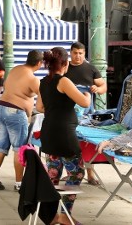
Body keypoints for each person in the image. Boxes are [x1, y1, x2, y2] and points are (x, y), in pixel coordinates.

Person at [36, 47, 91, 225]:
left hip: (49, 133)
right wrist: (87, 95)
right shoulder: (64, 81)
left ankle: (50, 216)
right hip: (64, 134)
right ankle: (65, 214)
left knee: (53, 175)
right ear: (66, 64)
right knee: (76, 173)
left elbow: (39, 108)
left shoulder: (43, 81)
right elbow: (83, 102)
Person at [0, 50, 42, 191]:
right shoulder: (33, 79)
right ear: (39, 63)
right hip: (16, 113)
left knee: (0, 146)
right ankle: (19, 184)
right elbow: (42, 102)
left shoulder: (16, 69)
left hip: (1, 109)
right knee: (19, 149)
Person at [64, 41, 108, 186]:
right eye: (75, 53)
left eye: (81, 53)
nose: (78, 56)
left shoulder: (91, 68)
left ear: (84, 53)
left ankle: (90, 175)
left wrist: (97, 88)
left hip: (87, 112)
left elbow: (103, 86)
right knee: (69, 141)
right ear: (71, 53)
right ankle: (70, 173)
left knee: (87, 143)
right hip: (67, 111)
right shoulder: (65, 67)